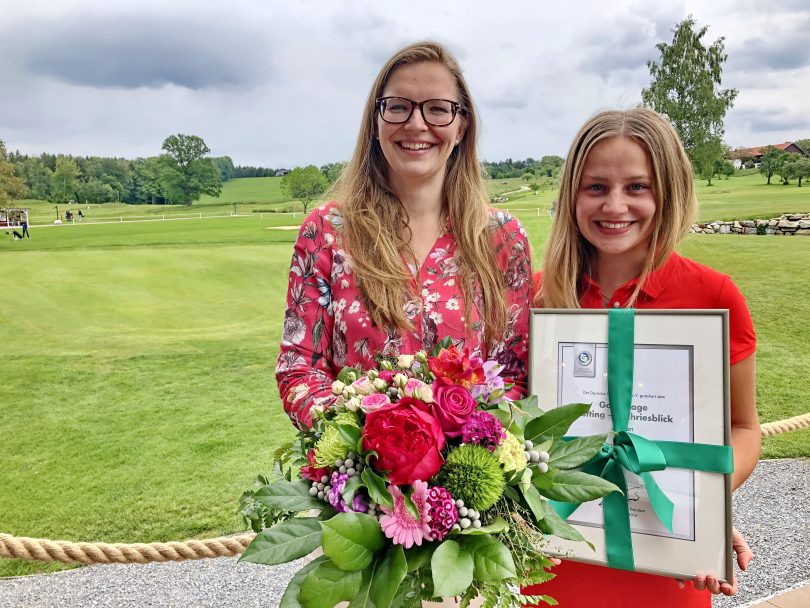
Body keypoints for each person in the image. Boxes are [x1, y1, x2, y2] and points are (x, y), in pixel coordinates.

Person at [527, 108, 759, 607]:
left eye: (637, 187)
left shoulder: (714, 296)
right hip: (555, 558)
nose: (614, 205)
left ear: (667, 192)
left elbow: (743, 429)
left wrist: (706, 511)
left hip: (666, 560)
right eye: (595, 187)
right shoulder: (538, 298)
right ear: (572, 194)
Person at [276, 41, 532, 429]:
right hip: (361, 465)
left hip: (470, 463)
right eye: (398, 107)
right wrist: (363, 438)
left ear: (461, 126)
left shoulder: (502, 237)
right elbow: (299, 370)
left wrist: (459, 444)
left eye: (437, 109)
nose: (416, 124)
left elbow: (512, 375)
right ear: (375, 122)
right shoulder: (328, 231)